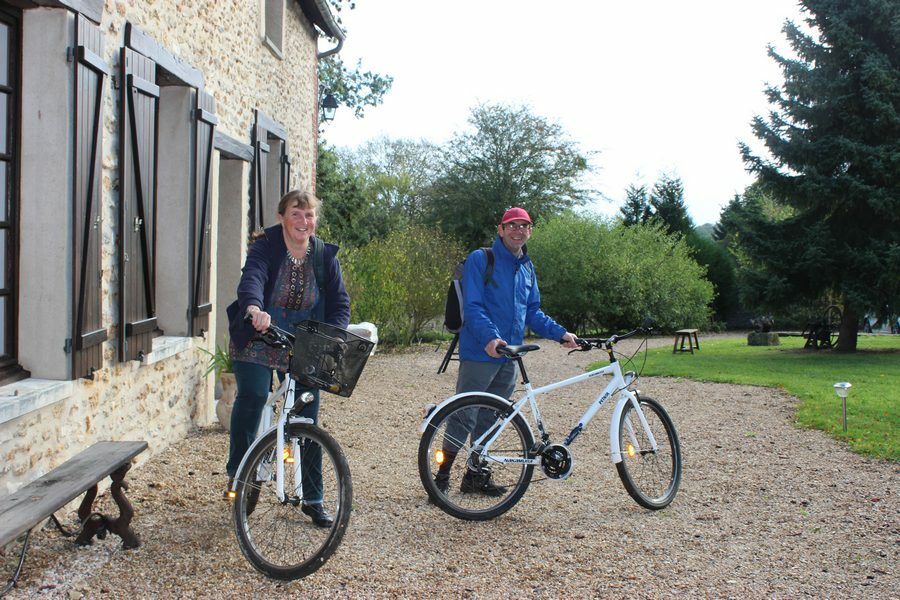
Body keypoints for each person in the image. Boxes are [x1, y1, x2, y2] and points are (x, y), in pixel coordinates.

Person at [224, 190, 350, 527]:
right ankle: (239, 474)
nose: (303, 221)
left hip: (303, 339)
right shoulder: (266, 246)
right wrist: (253, 308)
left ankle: (313, 498)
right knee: (252, 395)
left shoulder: (323, 256)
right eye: (296, 214)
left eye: (309, 215)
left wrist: (334, 335)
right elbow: (253, 277)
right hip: (259, 332)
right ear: (282, 217)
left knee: (307, 414)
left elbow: (339, 303)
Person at [433, 207, 578, 497]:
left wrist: (560, 333)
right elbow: (473, 306)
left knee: (492, 419)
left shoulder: (526, 267)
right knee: (464, 415)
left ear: (530, 231)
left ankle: (474, 475)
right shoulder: (481, 259)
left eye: (523, 226)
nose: (518, 230)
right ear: (501, 230)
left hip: (510, 355)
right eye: (511, 225)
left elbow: (532, 312)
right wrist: (490, 338)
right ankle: (440, 477)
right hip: (480, 351)